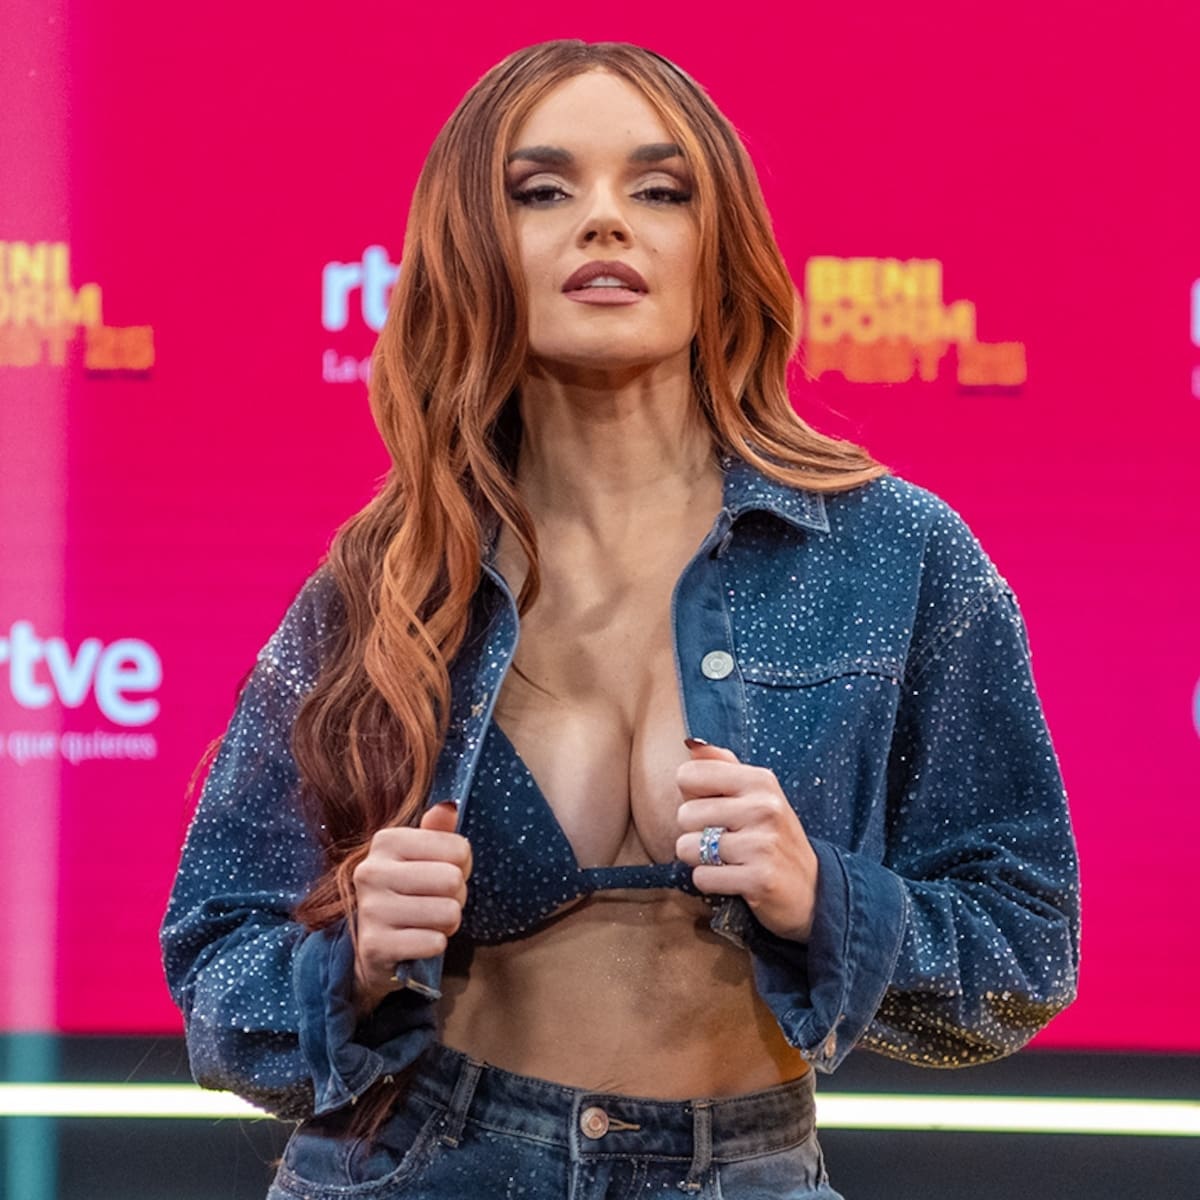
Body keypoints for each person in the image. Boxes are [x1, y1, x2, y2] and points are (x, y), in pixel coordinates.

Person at [161, 39, 1080, 1199]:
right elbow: (217, 963)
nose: (604, 220)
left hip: (746, 1167)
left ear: (719, 244)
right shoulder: (386, 582)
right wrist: (354, 962)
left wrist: (825, 898)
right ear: (474, 248)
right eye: (543, 191)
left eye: (659, 190)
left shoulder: (897, 554)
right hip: (422, 1164)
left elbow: (1027, 948)